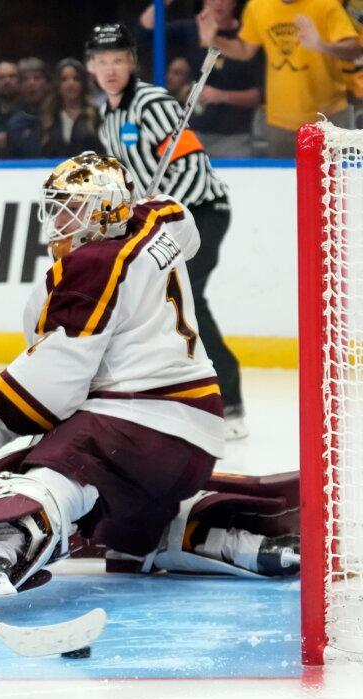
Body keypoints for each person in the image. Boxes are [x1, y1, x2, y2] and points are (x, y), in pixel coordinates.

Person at [0, 153, 299, 605]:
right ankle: (203, 533)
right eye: (57, 205)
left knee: (41, 474)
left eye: (70, 206)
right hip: (195, 437)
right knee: (115, 514)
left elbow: (52, 383)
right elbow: (181, 219)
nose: (58, 217)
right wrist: (138, 206)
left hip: (137, 426)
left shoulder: (93, 265)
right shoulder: (156, 221)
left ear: (103, 212)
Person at [86, 23, 245, 440]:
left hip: (202, 212)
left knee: (187, 294)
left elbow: (191, 168)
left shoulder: (153, 103)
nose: (111, 68)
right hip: (164, 224)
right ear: (91, 66)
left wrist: (159, 216)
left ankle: (229, 401)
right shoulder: (107, 118)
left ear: (132, 61)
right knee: (163, 302)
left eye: (118, 58)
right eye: (102, 61)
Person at [203, 0, 361, 157]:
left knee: (332, 178)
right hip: (280, 122)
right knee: (282, 178)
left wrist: (321, 45)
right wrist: (214, 40)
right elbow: (245, 50)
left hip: (328, 118)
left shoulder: (326, 5)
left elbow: (354, 49)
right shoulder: (257, 6)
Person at [137, 0, 262, 158]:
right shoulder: (191, 29)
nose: (218, 4)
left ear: (234, 3)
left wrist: (222, 96)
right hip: (194, 132)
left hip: (235, 138)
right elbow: (145, 32)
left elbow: (259, 96)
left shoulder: (249, 36)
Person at [40, 58, 103, 158]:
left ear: (83, 83)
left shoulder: (97, 114)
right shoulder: (48, 115)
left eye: (76, 79)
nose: (70, 84)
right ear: (57, 84)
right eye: (64, 79)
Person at [4, 57, 51, 158]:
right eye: (25, 79)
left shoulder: (60, 115)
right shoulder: (15, 124)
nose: (31, 83)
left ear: (47, 83)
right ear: (20, 86)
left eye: (37, 78)